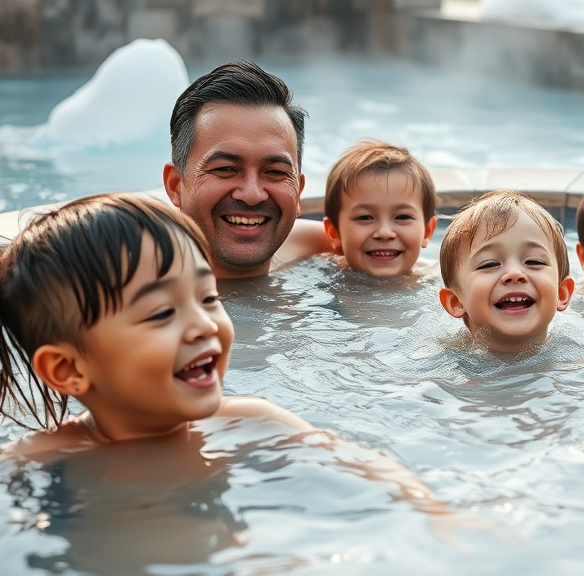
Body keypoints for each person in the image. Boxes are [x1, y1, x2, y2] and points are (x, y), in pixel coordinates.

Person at [0, 193, 478, 544]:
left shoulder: (250, 422)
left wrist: (437, 515)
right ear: (66, 370)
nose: (203, 325)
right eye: (162, 313)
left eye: (208, 297)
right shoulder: (34, 461)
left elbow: (367, 469)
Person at [162, 60, 331, 279]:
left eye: (275, 172)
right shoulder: (130, 278)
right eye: (226, 169)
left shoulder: (322, 247)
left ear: (298, 192)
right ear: (175, 185)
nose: (252, 195)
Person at [438, 190, 575, 354]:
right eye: (489, 264)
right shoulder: (442, 371)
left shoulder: (579, 364)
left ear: (561, 293)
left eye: (534, 262)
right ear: (456, 302)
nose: (514, 274)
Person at [322, 140, 438, 277]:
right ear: (334, 233)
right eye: (364, 217)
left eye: (402, 217)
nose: (385, 233)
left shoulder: (442, 279)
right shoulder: (321, 274)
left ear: (427, 231)